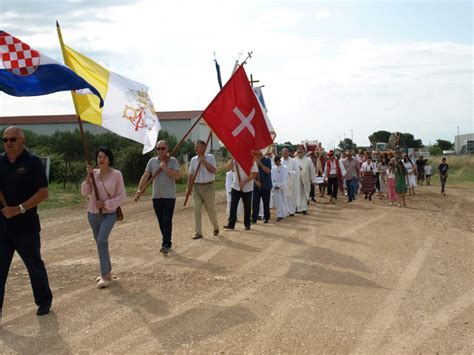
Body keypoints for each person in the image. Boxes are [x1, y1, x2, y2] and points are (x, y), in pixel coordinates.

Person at [0, 126, 53, 316]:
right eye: (5, 140)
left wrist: (19, 208)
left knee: (33, 265)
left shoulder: (32, 162)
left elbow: (43, 193)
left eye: (12, 139)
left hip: (26, 226)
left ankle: (44, 301)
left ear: (22, 141)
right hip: (3, 227)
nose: (8, 143)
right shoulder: (0, 161)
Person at [81, 147, 125, 288]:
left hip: (109, 214)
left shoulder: (116, 175)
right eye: (99, 157)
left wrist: (105, 204)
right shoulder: (93, 173)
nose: (101, 159)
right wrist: (88, 176)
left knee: (101, 241)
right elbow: (84, 192)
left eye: (104, 157)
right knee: (100, 243)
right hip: (93, 213)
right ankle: (107, 272)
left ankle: (104, 275)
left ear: (109, 160)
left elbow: (121, 196)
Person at [135, 140, 181, 255]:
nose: (160, 151)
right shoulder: (152, 161)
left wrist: (165, 168)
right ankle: (167, 241)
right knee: (161, 221)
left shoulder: (173, 161)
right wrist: (139, 189)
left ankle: (165, 243)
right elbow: (146, 175)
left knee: (167, 220)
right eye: (158, 148)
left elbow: (178, 176)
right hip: (157, 196)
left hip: (169, 196)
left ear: (167, 149)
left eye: (163, 148)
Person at [186, 140, 219, 240]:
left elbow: (213, 170)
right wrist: (188, 188)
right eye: (195, 147)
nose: (196, 149)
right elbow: (191, 174)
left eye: (198, 147)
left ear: (204, 148)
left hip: (208, 187)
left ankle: (215, 227)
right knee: (196, 209)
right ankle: (198, 232)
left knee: (210, 210)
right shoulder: (193, 160)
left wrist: (204, 162)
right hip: (197, 187)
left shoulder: (211, 157)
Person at [224, 158, 258, 230]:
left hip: (247, 188)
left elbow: (254, 174)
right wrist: (233, 158)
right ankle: (231, 224)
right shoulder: (235, 160)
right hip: (236, 186)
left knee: (247, 207)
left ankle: (247, 224)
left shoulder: (251, 161)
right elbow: (228, 168)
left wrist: (244, 182)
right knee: (233, 205)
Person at [293, 146, 316, 214]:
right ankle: (298, 208)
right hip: (296, 180)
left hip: (305, 180)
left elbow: (312, 170)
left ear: (304, 152)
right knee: (297, 194)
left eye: (301, 152)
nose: (300, 153)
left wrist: (313, 180)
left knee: (305, 194)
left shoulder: (308, 160)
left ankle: (304, 208)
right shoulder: (294, 160)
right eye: (298, 152)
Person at [252, 151, 272, 223]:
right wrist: (255, 181)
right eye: (257, 154)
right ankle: (254, 218)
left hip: (266, 185)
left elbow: (268, 171)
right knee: (255, 203)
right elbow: (251, 174)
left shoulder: (267, 160)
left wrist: (260, 164)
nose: (258, 156)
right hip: (256, 185)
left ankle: (266, 217)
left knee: (266, 203)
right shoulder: (254, 161)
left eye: (260, 154)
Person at [271, 156, 289, 221]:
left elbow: (285, 178)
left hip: (282, 186)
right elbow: (272, 178)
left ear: (280, 161)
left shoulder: (285, 168)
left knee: (283, 200)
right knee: (278, 201)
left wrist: (280, 185)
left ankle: (284, 213)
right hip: (275, 186)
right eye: (275, 162)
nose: (276, 163)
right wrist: (274, 185)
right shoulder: (273, 168)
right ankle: (280, 215)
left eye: (277, 161)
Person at [281, 148, 296, 216]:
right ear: (282, 153)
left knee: (290, 197)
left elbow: (296, 170)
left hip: (290, 181)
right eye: (284, 153)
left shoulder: (292, 160)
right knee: (283, 197)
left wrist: (290, 173)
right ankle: (285, 211)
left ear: (288, 153)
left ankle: (291, 211)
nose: (285, 154)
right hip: (283, 182)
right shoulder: (280, 161)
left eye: (286, 153)